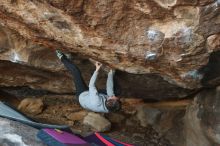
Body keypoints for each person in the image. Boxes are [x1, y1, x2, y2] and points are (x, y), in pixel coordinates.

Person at [56, 50, 121, 113]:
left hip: (82, 95)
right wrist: (110, 73)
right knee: (116, 91)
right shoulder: (111, 107)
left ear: (109, 99)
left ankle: (62, 57)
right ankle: (112, 73)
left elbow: (91, 85)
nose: (116, 97)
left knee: (76, 72)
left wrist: (97, 70)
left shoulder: (96, 101)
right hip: (94, 97)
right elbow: (110, 90)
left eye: (115, 98)